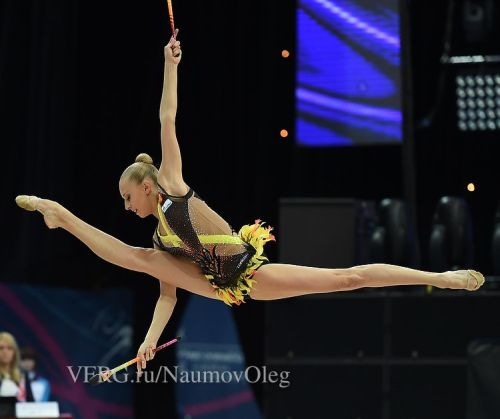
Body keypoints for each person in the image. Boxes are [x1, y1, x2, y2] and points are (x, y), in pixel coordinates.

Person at [15, 33, 485, 374]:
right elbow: (166, 294)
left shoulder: (172, 185)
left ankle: (439, 278)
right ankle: (61, 215)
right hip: (210, 281)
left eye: (126, 197)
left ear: (146, 185)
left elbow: (167, 117)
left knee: (348, 278)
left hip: (246, 274)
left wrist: (170, 65)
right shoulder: (159, 236)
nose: (125, 206)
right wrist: (148, 341)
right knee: (142, 258)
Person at [0, 332, 21, 398]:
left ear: (14, 352)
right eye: (1, 348)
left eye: (9, 348)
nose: (5, 352)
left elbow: (30, 402)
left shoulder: (23, 375)